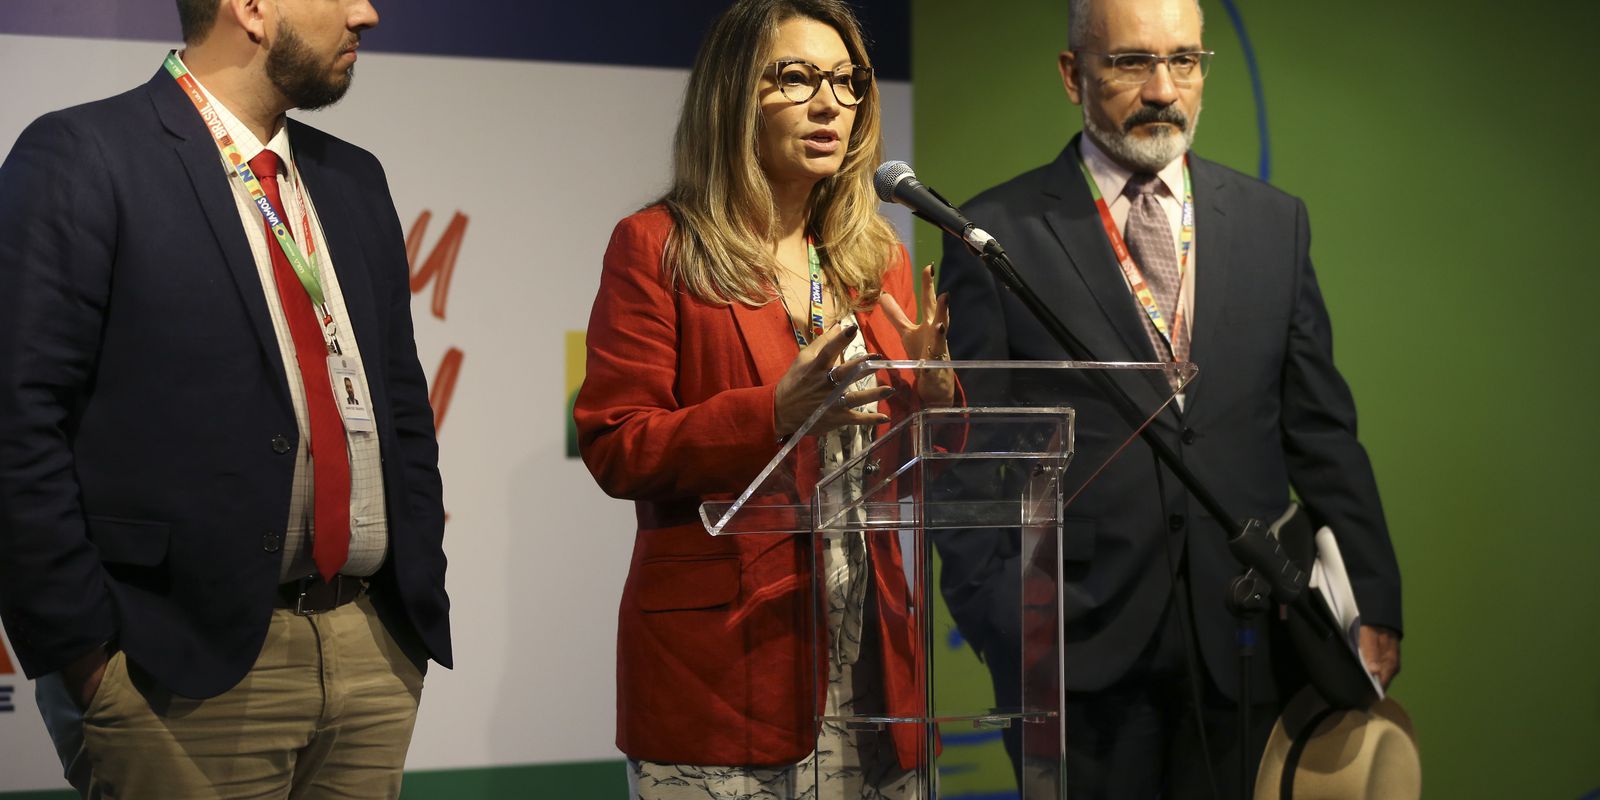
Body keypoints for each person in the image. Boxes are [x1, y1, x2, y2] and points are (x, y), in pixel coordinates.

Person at [935, 0, 1403, 797]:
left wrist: (1374, 600)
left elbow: (1322, 434)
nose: (1162, 89)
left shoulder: (1274, 225)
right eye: (1131, 62)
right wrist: (1003, 620)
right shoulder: (994, 234)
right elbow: (969, 463)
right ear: (1072, 73)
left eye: (1184, 61)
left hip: (1250, 649)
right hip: (1075, 657)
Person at [0, 0, 450, 796]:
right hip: (174, 668)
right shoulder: (85, 155)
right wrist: (85, 660)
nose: (367, 14)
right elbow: (17, 419)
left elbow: (403, 410)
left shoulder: (353, 178)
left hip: (371, 654)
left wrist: (405, 617)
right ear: (251, 9)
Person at [572, 1, 953, 797]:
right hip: (726, 665)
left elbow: (913, 473)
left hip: (871, 664)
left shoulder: (872, 257)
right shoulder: (659, 248)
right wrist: (772, 413)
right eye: (798, 78)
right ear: (734, 95)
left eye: (846, 82)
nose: (829, 104)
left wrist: (934, 398)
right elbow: (617, 443)